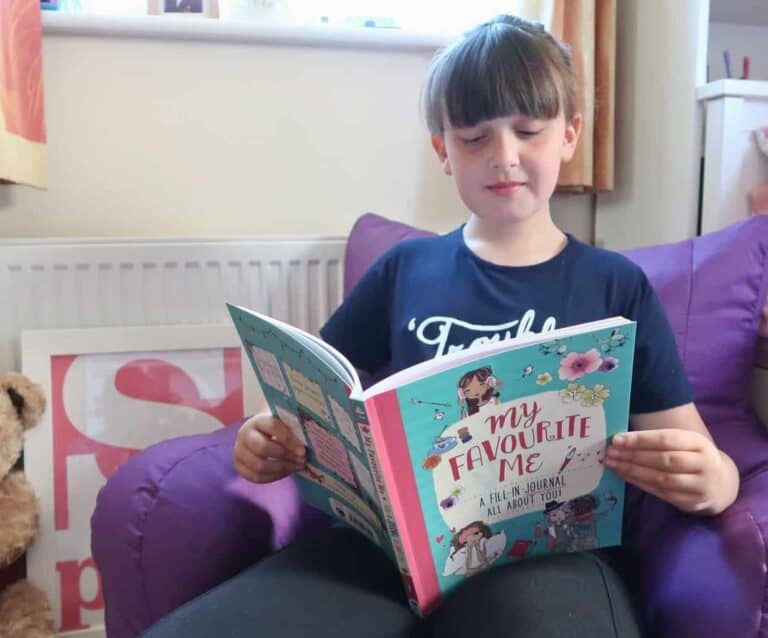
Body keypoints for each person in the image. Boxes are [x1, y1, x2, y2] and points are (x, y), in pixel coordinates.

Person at [144, 14, 739, 638]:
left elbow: (695, 450)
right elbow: (307, 400)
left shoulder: (615, 286)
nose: (504, 157)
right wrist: (264, 439)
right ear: (442, 151)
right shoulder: (404, 270)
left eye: (529, 131)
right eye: (475, 137)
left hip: (550, 556)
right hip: (386, 557)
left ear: (570, 134)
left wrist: (714, 480)